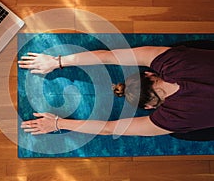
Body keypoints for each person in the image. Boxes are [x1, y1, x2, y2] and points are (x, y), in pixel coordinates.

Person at [18, 42, 214, 139]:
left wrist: (58, 123)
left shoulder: (170, 119)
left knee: (178, 132)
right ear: (147, 74)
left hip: (176, 122)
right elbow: (108, 57)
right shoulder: (172, 61)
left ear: (147, 106)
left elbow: (109, 128)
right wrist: (57, 61)